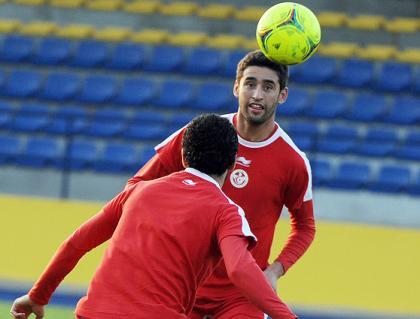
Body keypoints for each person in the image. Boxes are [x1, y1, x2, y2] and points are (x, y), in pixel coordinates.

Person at [10, 114, 297, 319]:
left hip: (93, 313)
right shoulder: (227, 211)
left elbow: (77, 242)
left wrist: (38, 295)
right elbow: (239, 270)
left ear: (183, 154)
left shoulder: (139, 191)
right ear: (233, 162)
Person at [125, 50, 316, 318]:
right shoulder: (201, 133)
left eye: (268, 86)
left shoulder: (293, 161)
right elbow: (137, 185)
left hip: (242, 296)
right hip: (180, 285)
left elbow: (305, 226)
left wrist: (275, 270)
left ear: (282, 95)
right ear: (236, 87)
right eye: (250, 83)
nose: (257, 94)